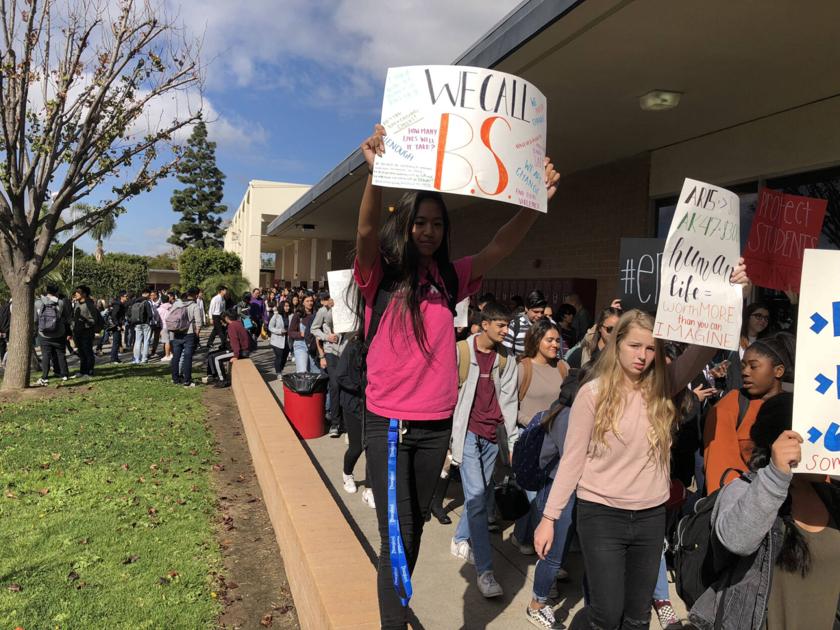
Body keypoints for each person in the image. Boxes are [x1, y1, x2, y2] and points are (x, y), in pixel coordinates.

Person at [356, 123, 560, 628]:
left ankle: (395, 611)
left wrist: (534, 202)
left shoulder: (449, 277)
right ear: (404, 225)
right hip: (390, 423)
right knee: (396, 535)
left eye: (436, 224)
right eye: (419, 223)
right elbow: (364, 233)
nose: (428, 232)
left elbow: (499, 247)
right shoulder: (381, 273)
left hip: (436, 426)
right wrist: (375, 177)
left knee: (413, 532)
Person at [533, 263, 749, 630]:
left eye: (651, 348)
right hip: (600, 514)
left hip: (650, 516)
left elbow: (705, 347)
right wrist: (549, 518)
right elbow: (572, 460)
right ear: (617, 344)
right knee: (605, 613)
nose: (642, 355)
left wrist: (733, 296)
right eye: (634, 345)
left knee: (637, 617)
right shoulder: (592, 394)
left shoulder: (664, 387)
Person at [690, 393, 840, 629]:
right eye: (817, 437)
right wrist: (776, 476)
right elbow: (737, 540)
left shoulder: (832, 498)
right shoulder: (743, 490)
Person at [449, 302, 519, 598]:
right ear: (485, 324)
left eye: (508, 325)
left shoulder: (506, 359)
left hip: (492, 436)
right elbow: (448, 395)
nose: (506, 330)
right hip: (467, 434)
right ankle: (485, 571)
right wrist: (448, 440)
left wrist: (511, 443)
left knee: (478, 494)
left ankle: (460, 538)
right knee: (477, 497)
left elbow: (510, 403)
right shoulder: (461, 352)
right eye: (501, 325)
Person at [704, 332, 795, 494]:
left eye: (753, 366)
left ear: (778, 371)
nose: (745, 372)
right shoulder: (730, 405)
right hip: (744, 501)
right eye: (743, 366)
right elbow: (720, 469)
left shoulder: (797, 408)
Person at [511, 317, 569, 555]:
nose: (555, 344)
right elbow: (509, 407)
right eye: (550, 340)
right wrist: (534, 422)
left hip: (556, 441)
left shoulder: (563, 368)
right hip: (530, 438)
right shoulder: (522, 368)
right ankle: (545, 552)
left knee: (547, 494)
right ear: (536, 340)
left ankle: (522, 536)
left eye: (557, 340)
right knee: (533, 494)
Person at [336, 334, 376, 509]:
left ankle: (369, 489)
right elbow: (340, 375)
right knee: (356, 446)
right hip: (354, 404)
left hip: (374, 405)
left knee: (372, 448)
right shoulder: (353, 346)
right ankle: (347, 474)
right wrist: (361, 387)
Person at [311, 291, 348, 437]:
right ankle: (335, 423)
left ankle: (346, 422)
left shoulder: (349, 305)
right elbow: (314, 328)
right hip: (330, 351)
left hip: (346, 351)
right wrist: (327, 337)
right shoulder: (324, 310)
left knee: (347, 385)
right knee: (334, 384)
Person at [35, 284, 73, 385]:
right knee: (61, 354)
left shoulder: (38, 303)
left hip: (44, 334)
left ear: (46, 290)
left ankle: (45, 377)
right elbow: (66, 318)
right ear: (57, 292)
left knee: (46, 355)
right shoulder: (60, 302)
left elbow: (35, 319)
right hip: (59, 333)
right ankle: (64, 374)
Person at [564, 305, 622, 369]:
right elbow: (566, 373)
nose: (614, 333)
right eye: (610, 329)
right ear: (599, 327)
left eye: (619, 330)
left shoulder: (621, 357)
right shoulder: (582, 354)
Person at [205, 308, 250, 388]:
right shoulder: (238, 323)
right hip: (242, 349)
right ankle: (219, 377)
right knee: (214, 355)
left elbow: (235, 342)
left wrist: (236, 356)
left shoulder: (232, 326)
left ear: (226, 318)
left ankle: (222, 380)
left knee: (216, 358)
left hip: (240, 351)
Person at [168, 287, 202, 387]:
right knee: (187, 357)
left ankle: (175, 378)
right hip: (189, 333)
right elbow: (198, 322)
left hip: (177, 332)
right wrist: (197, 334)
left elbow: (170, 316)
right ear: (196, 295)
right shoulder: (194, 306)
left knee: (176, 356)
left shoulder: (177, 304)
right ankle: (187, 380)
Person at [503, 289, 547, 356]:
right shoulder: (515, 324)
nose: (539, 315)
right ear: (526, 308)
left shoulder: (546, 324)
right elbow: (507, 350)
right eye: (536, 312)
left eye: (542, 312)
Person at [71, 285, 100, 379]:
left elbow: (93, 320)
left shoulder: (89, 304)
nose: (76, 294)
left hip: (86, 332)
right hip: (77, 332)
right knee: (81, 352)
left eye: (78, 292)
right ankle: (82, 371)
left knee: (87, 352)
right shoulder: (77, 304)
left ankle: (89, 371)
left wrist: (84, 322)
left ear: (84, 294)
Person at [287, 294, 319, 374]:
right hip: (301, 345)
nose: (310, 303)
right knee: (302, 372)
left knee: (316, 372)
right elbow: (290, 332)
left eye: (311, 301)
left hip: (314, 346)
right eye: (307, 301)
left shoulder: (317, 314)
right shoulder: (298, 315)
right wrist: (301, 334)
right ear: (303, 303)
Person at [128, 288, 154, 364]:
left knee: (137, 341)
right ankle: (144, 358)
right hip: (146, 324)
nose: (150, 296)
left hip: (137, 323)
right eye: (149, 294)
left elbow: (130, 313)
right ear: (147, 294)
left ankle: (136, 359)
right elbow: (150, 314)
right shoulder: (146, 302)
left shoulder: (135, 301)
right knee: (146, 341)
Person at [107, 291, 128, 363]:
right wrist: (117, 325)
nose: (127, 297)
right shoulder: (117, 305)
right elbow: (114, 315)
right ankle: (113, 359)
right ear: (122, 297)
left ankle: (116, 358)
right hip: (116, 325)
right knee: (116, 342)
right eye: (126, 296)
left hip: (118, 324)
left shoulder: (120, 304)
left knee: (118, 341)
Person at [267, 303, 287, 377]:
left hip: (287, 340)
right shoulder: (276, 316)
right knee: (279, 356)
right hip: (277, 340)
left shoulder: (290, 315)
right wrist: (279, 331)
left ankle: (280, 369)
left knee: (284, 357)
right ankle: (278, 372)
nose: (287, 308)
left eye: (288, 306)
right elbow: (270, 327)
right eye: (286, 306)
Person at [207, 285, 229, 352]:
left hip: (221, 316)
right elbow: (211, 309)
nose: (226, 291)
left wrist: (224, 318)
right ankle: (224, 344)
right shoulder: (215, 298)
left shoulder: (223, 299)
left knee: (216, 330)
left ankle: (209, 343)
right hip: (215, 316)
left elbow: (223, 309)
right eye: (225, 290)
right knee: (220, 331)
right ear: (221, 291)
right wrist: (210, 318)